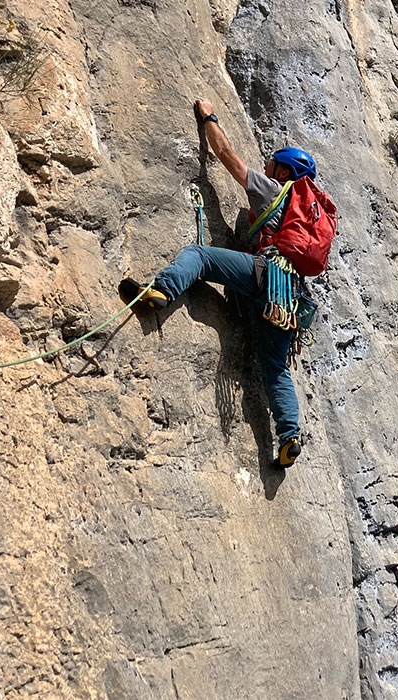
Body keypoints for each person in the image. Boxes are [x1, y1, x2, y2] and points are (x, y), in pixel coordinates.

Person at [120, 98, 317, 468]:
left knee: (200, 255)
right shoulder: (305, 214)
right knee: (275, 367)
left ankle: (161, 291)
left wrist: (208, 116)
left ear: (285, 170)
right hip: (289, 300)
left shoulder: (276, 190)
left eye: (273, 162)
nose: (266, 165)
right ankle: (289, 436)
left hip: (264, 276)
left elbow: (227, 155)